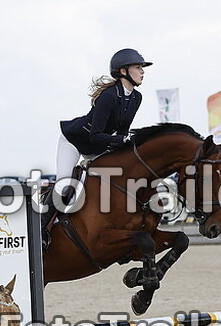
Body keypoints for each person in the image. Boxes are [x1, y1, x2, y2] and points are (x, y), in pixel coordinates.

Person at [41, 48, 152, 233]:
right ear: (123, 71)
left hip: (99, 146)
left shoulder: (136, 98)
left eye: (142, 67)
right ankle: (41, 230)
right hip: (75, 142)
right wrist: (122, 139)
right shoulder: (108, 96)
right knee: (64, 186)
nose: (143, 71)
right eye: (138, 67)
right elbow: (95, 135)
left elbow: (122, 131)